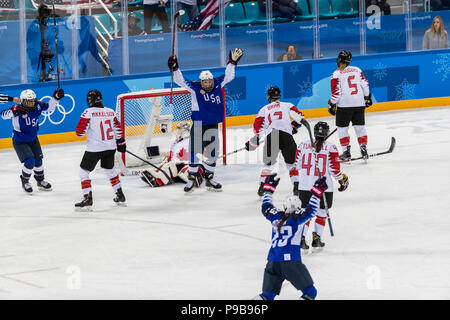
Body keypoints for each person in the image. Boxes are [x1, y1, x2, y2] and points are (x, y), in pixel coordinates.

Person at [168, 48, 243, 193]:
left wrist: (232, 62)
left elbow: (229, 76)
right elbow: (180, 80)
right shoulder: (194, 87)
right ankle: (191, 179)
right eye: (205, 82)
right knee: (194, 152)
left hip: (212, 125)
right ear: (201, 81)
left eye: (209, 81)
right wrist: (175, 68)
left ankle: (209, 179)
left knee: (212, 153)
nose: (207, 84)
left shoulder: (217, 84)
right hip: (198, 125)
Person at [253, 174, 327, 300]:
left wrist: (268, 190)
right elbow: (311, 211)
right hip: (291, 261)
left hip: (273, 261)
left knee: (267, 295)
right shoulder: (297, 218)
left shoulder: (276, 216)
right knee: (310, 292)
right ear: (298, 208)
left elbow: (265, 207)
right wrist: (316, 193)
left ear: (285, 207)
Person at [295, 121, 349, 251]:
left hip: (305, 185)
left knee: (306, 213)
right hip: (324, 187)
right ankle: (317, 238)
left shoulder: (302, 145)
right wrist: (343, 180)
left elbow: (297, 165)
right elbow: (335, 171)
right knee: (321, 212)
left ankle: (301, 238)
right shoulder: (331, 147)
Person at [1, 88, 64, 193]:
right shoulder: (17, 109)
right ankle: (25, 181)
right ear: (23, 101)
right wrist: (13, 111)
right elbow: (3, 115)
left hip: (33, 139)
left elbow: (49, 108)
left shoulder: (37, 105)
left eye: (33, 100)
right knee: (30, 161)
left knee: (38, 161)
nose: (32, 103)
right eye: (29, 101)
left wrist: (56, 98)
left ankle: (40, 181)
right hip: (20, 141)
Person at [245, 86, 304, 197]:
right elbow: (300, 117)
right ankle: (296, 186)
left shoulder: (264, 109)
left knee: (268, 165)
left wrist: (254, 141)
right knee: (292, 164)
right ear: (279, 95)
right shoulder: (288, 105)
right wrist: (293, 128)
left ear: (268, 97)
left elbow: (257, 127)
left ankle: (262, 186)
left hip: (272, 136)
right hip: (287, 137)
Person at [74, 89, 127, 210]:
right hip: (110, 148)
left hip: (94, 149)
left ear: (89, 101)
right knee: (110, 171)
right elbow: (118, 129)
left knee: (83, 172)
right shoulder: (110, 111)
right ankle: (120, 195)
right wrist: (121, 142)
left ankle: (87, 197)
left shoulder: (88, 112)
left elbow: (79, 133)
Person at [328, 50, 372, 161]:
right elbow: (365, 85)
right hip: (359, 104)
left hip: (344, 106)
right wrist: (367, 98)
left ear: (340, 60)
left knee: (342, 129)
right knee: (360, 128)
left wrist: (332, 104)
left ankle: (346, 152)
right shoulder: (357, 70)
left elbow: (336, 93)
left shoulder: (336, 74)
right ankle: (364, 149)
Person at [140, 121, 193, 187]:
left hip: (187, 166)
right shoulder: (179, 141)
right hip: (182, 165)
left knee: (171, 166)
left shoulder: (189, 140)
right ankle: (155, 173)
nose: (178, 131)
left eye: (179, 129)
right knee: (167, 160)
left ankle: (158, 180)